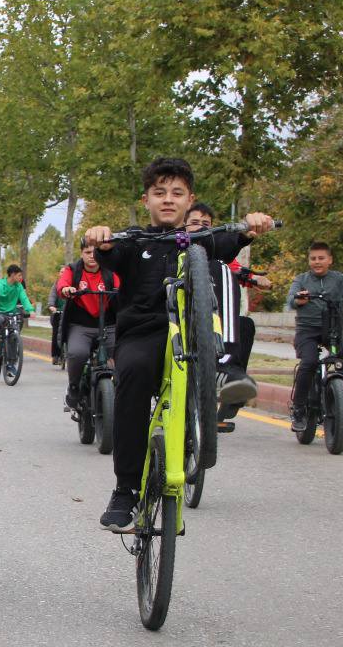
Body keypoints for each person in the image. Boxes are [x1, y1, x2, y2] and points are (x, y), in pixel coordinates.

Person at [82, 158, 273, 531]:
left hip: (199, 335)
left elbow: (233, 241)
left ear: (190, 200)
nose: (167, 200)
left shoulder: (203, 238)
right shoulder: (133, 241)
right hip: (146, 334)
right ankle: (125, 490)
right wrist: (99, 238)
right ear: (146, 200)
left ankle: (228, 371)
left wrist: (251, 228)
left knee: (222, 270)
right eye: (159, 193)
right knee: (132, 375)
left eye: (177, 193)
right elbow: (108, 252)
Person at [185, 201, 270, 411]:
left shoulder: (217, 250)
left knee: (246, 325)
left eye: (206, 223)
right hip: (179, 317)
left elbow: (234, 260)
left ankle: (229, 376)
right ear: (183, 225)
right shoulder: (172, 245)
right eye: (194, 222)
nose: (200, 227)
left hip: (211, 318)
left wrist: (246, 234)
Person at [286, 241, 343, 432]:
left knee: (342, 357)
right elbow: (291, 299)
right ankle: (299, 408)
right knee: (308, 362)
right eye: (313, 258)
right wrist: (298, 299)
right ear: (309, 260)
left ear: (330, 260)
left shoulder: (339, 279)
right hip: (307, 331)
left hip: (332, 330)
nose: (317, 262)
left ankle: (336, 396)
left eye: (321, 258)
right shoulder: (301, 279)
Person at [55, 238, 118, 407]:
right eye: (87, 252)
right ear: (81, 253)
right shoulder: (73, 270)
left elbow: (121, 286)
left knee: (122, 354)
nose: (91, 256)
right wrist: (66, 289)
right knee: (77, 353)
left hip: (108, 325)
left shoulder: (110, 270)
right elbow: (62, 284)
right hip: (81, 326)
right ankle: (74, 386)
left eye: (94, 252)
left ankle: (118, 392)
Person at [0, 264, 34, 355]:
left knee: (14, 332)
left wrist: (30, 310)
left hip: (11, 313)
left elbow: (24, 298)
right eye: (19, 275)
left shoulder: (18, 286)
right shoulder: (0, 286)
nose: (21, 278)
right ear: (12, 275)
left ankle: (11, 363)